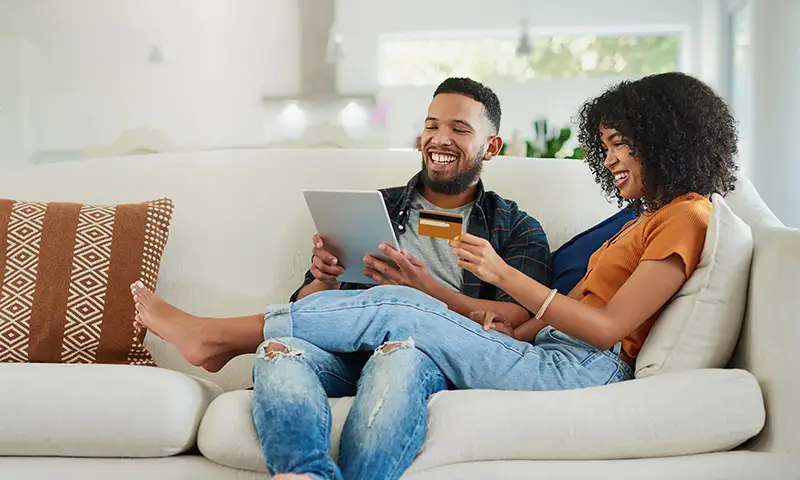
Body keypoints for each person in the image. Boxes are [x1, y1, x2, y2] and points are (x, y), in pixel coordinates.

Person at [132, 71, 738, 479]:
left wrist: (489, 278)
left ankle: (215, 337)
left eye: (619, 145)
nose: (609, 161)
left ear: (663, 139)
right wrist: (324, 277)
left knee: (404, 316)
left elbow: (603, 329)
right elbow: (546, 321)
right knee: (292, 344)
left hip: (573, 363)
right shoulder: (647, 218)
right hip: (539, 350)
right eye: (604, 146)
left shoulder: (682, 216)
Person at [131, 77, 551, 480]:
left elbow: (518, 319)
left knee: (399, 354)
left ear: (491, 147)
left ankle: (217, 337)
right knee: (279, 348)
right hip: (344, 353)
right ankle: (302, 473)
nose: (440, 139)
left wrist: (423, 290)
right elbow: (306, 308)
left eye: (459, 129)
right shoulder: (373, 206)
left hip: (425, 355)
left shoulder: (516, 228)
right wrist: (324, 278)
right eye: (431, 126)